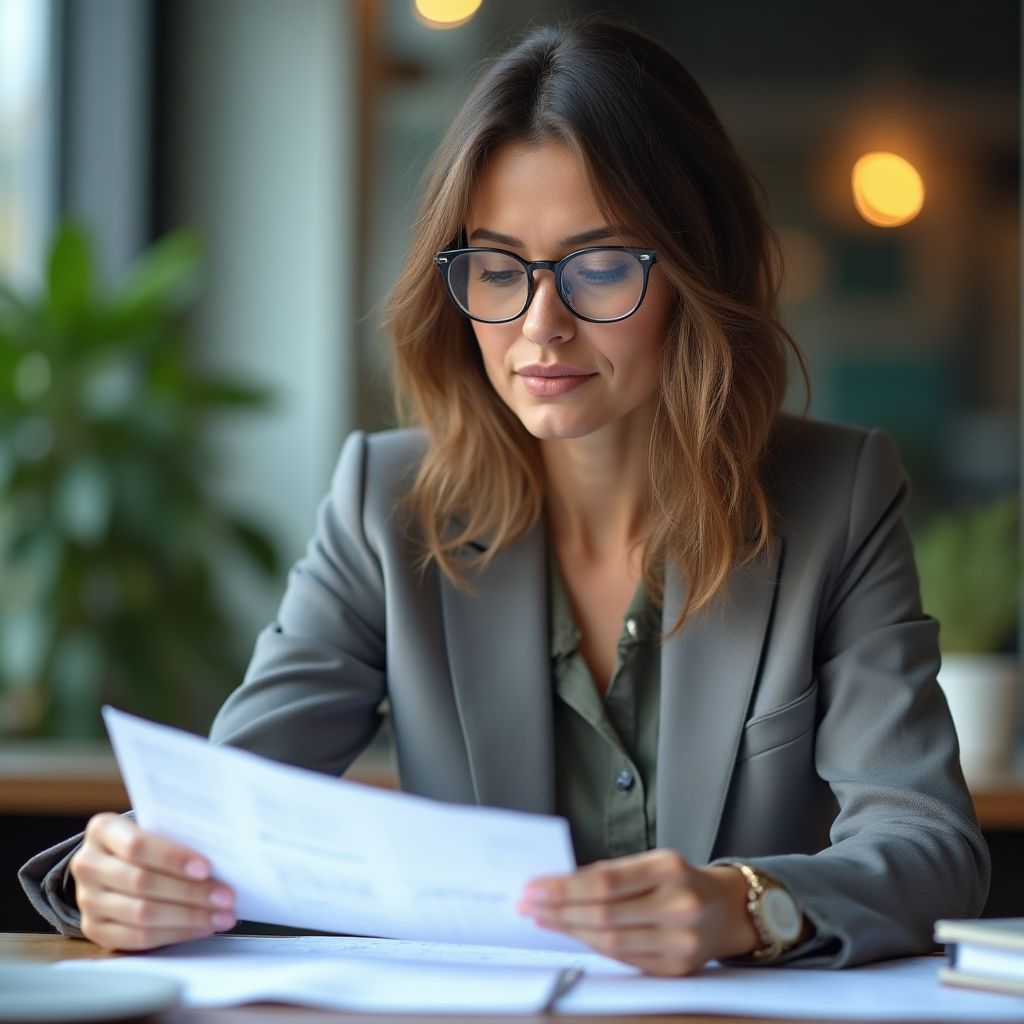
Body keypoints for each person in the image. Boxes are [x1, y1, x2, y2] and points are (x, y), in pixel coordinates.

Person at [21, 17, 988, 976]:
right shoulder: (385, 503)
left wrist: (742, 903)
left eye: (600, 264)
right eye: (496, 268)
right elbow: (224, 815)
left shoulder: (837, 497)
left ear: (696, 272)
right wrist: (121, 873)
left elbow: (929, 848)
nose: (541, 327)